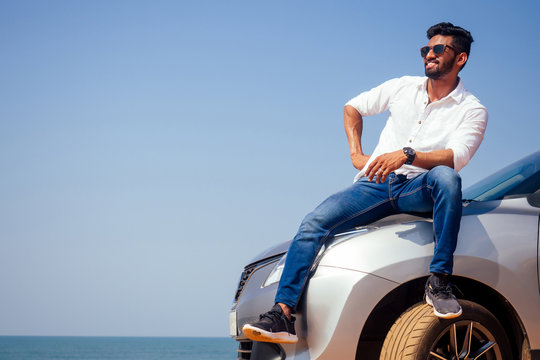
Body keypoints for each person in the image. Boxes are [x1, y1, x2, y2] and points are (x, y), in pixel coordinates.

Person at [242, 22, 487, 344]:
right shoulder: (402, 87)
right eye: (425, 49)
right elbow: (353, 107)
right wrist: (357, 154)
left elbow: (456, 156)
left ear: (460, 58)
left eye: (438, 49)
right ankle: (283, 314)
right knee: (314, 222)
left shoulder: (473, 109)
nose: (429, 54)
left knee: (447, 177)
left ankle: (439, 280)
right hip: (376, 183)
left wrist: (407, 154)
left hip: (420, 186)